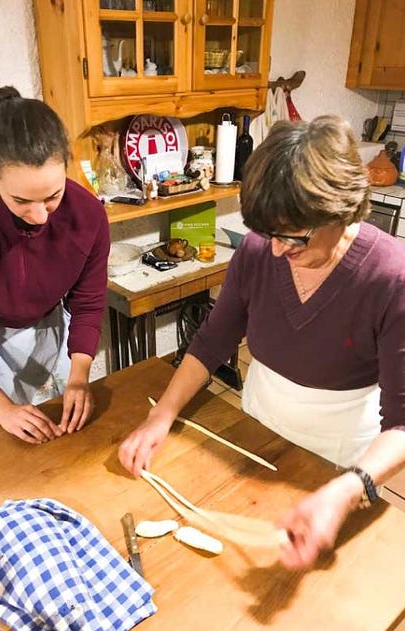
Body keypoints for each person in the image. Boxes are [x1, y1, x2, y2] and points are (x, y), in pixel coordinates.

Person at [118, 115, 405, 570]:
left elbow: (403, 426)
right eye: (268, 233)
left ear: (342, 211)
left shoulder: (392, 277)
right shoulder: (258, 251)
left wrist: (347, 490)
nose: (275, 250)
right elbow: (213, 339)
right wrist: (162, 414)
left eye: (293, 236)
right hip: (259, 427)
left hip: (343, 457)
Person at [0, 86, 110, 445]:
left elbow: (87, 305)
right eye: (22, 200)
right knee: (0, 450)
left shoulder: (88, 215)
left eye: (53, 196)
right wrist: (1, 407)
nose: (40, 216)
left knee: (63, 440)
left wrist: (79, 376)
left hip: (50, 330)